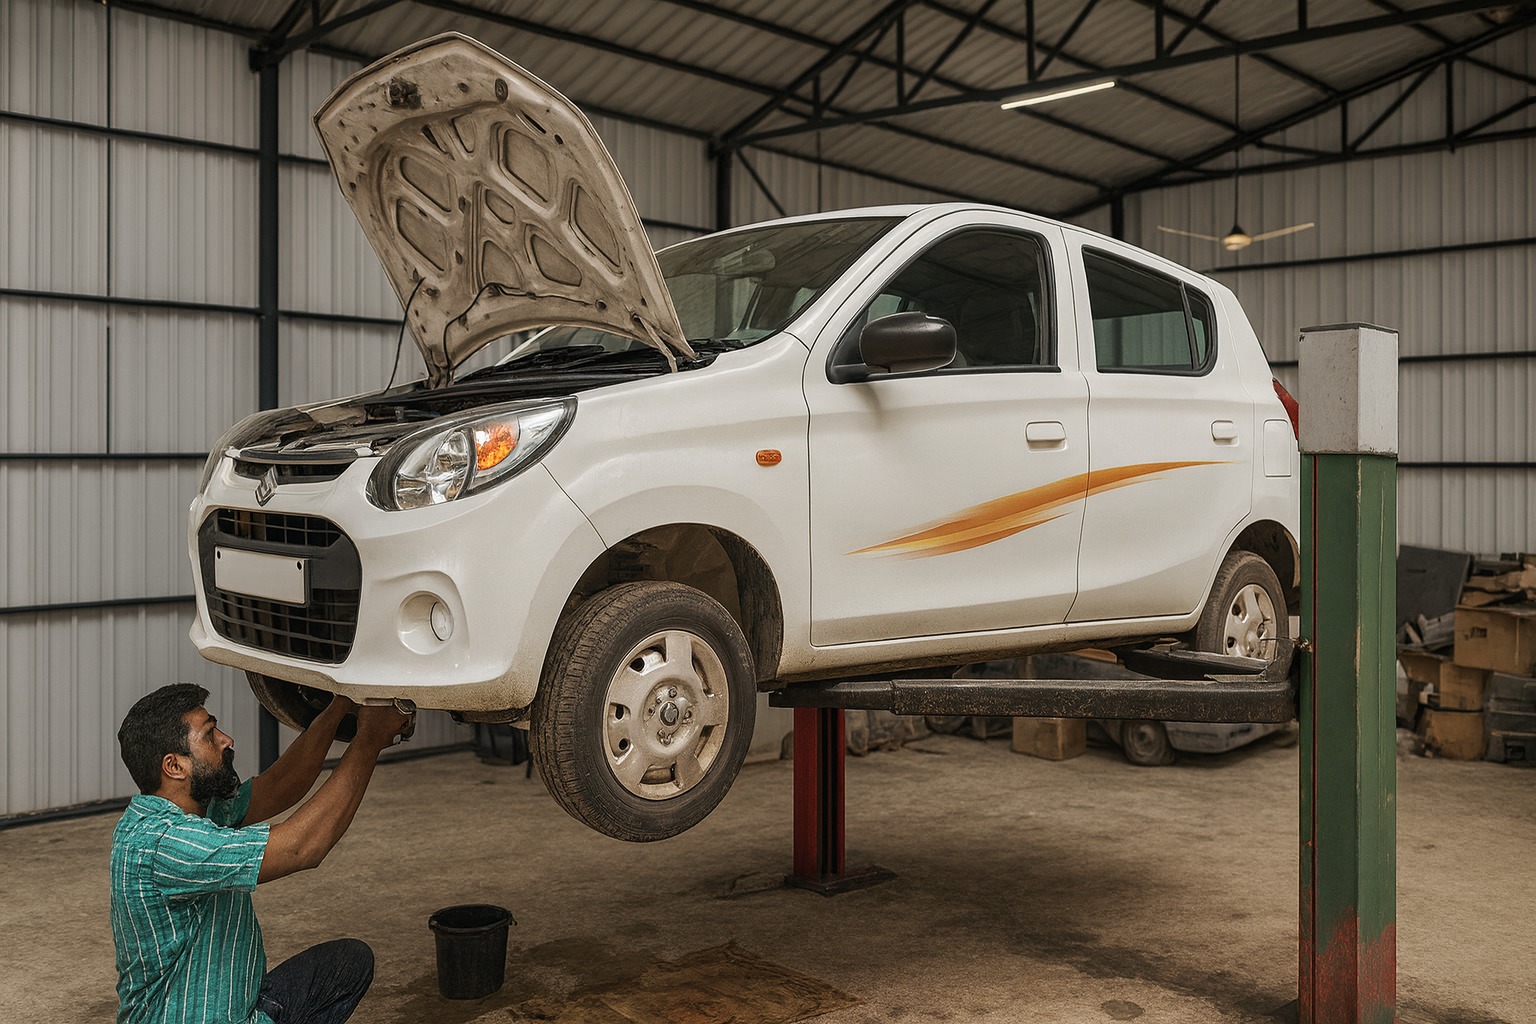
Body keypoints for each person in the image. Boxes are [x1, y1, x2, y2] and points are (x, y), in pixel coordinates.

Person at [110, 683, 412, 1024]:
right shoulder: (168, 844)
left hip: (236, 1012)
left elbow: (280, 786)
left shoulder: (189, 809)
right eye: (210, 735)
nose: (226, 740)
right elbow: (302, 847)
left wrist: (342, 701)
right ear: (175, 766)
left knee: (347, 962)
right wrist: (369, 741)